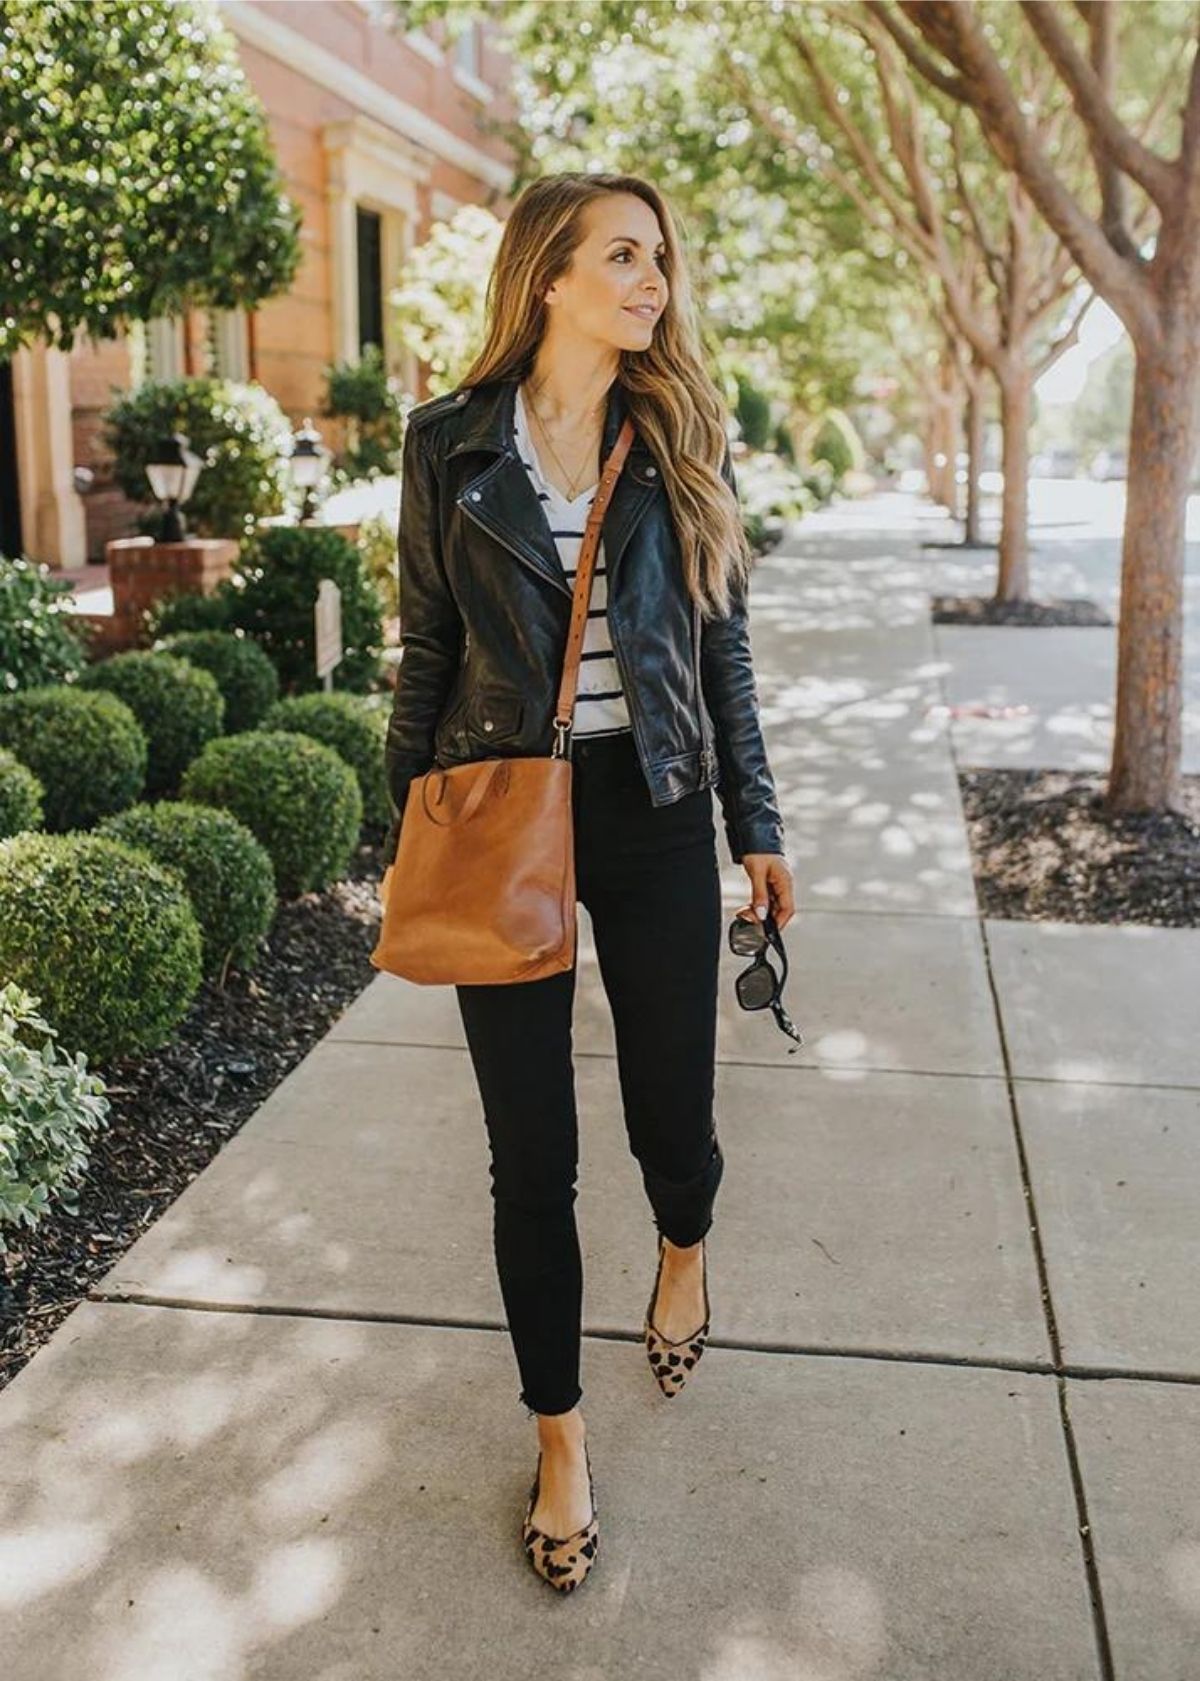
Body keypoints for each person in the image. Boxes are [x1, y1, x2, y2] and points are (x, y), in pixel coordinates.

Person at [381, 170, 794, 1592]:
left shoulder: (677, 432)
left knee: (670, 1109)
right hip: (507, 810)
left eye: (661, 260)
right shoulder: (447, 443)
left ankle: (684, 1248)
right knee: (530, 1157)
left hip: (660, 805)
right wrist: (414, 827)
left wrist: (760, 822)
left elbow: (723, 645)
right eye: (624, 256)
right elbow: (425, 649)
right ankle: (557, 1432)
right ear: (548, 276)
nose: (653, 283)